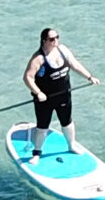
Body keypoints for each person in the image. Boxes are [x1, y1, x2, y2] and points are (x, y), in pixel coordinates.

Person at [22, 28, 99, 159]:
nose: (55, 40)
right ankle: (36, 153)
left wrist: (89, 77)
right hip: (45, 99)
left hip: (63, 95)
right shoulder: (38, 58)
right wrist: (38, 92)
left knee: (67, 122)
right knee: (42, 127)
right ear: (44, 41)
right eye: (52, 39)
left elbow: (75, 64)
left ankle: (71, 145)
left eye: (57, 37)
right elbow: (27, 77)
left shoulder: (62, 50)